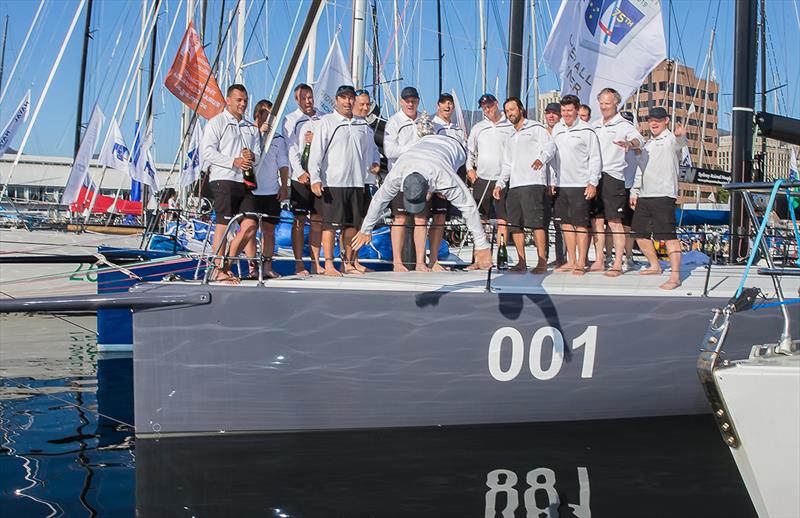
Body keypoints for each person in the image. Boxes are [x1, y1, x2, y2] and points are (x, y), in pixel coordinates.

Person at [352, 134, 492, 270]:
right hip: (422, 144)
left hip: (455, 150)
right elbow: (378, 200)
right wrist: (366, 230)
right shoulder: (396, 175)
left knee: (445, 199)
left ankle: (433, 261)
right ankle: (402, 262)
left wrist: (481, 245)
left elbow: (469, 207)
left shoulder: (444, 177)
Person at [308, 85, 380, 276]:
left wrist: (375, 163)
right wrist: (315, 178)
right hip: (333, 182)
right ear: (337, 100)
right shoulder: (326, 122)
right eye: (343, 98)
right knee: (330, 226)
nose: (347, 102)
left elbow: (372, 150)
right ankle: (329, 264)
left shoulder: (363, 125)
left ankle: (348, 263)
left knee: (352, 226)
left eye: (350, 98)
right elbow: (316, 153)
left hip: (357, 182)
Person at [200, 83, 262, 283]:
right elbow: (207, 151)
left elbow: (259, 155)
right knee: (223, 225)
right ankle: (218, 270)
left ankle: (227, 263)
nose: (243, 104)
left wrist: (252, 156)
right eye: (239, 100)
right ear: (228, 100)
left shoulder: (250, 129)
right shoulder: (217, 122)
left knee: (251, 224)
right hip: (223, 178)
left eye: (245, 100)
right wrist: (233, 161)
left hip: (245, 181)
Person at [493, 97, 556, 273]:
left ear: (521, 109)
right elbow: (507, 164)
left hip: (533, 182)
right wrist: (499, 184)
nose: (510, 113)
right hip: (514, 185)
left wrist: (541, 159)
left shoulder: (536, 128)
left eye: (512, 109)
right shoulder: (510, 136)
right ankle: (521, 262)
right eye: (507, 111)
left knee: (537, 223)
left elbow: (550, 147)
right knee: (515, 225)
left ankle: (542, 261)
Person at [630, 106, 686, 290]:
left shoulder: (671, 139)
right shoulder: (648, 143)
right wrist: (635, 191)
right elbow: (641, 167)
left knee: (669, 236)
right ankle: (655, 266)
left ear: (666, 121)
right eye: (651, 119)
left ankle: (675, 276)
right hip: (645, 194)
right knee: (639, 233)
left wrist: (680, 136)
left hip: (663, 194)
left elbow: (680, 147)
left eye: (658, 119)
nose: (653, 122)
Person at [592, 88, 643, 277]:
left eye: (608, 103)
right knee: (597, 221)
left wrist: (631, 144)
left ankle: (618, 263)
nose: (604, 107)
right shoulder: (594, 125)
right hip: (595, 176)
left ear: (616, 104)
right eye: (602, 103)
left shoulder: (624, 125)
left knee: (614, 222)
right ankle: (599, 260)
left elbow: (639, 140)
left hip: (614, 176)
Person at [551, 94, 602, 275]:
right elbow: (552, 158)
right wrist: (552, 181)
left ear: (577, 111)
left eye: (569, 111)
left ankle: (581, 261)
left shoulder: (587, 131)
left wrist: (592, 183)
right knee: (566, 224)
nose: (565, 114)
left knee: (580, 225)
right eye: (563, 110)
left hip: (580, 184)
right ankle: (571, 260)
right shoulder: (556, 129)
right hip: (561, 185)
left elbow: (595, 158)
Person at [243, 99, 290, 279]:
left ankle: (267, 265)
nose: (270, 120)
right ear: (257, 115)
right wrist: (260, 135)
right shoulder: (248, 133)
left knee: (269, 231)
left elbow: (283, 164)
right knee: (251, 230)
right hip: (252, 191)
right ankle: (252, 267)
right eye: (266, 115)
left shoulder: (278, 138)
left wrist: (284, 186)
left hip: (271, 191)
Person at [283, 83, 322, 276]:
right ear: (297, 100)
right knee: (298, 220)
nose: (308, 101)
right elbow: (290, 147)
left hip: (319, 177)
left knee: (317, 219)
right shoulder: (291, 120)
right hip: (300, 178)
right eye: (304, 98)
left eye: (310, 97)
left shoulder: (323, 117)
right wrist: (299, 171)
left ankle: (316, 263)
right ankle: (299, 264)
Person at [466, 93, 515, 245]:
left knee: (502, 220)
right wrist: (470, 170)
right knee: (481, 218)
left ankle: (502, 252)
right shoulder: (478, 128)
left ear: (496, 104)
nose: (487, 110)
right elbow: (470, 152)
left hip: (503, 179)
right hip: (482, 178)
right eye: (484, 108)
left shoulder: (509, 126)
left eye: (490, 106)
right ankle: (480, 253)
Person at [383, 86, 422, 271]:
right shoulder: (394, 122)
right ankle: (397, 262)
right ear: (401, 101)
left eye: (414, 100)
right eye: (407, 100)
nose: (410, 103)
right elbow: (389, 151)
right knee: (400, 218)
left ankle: (421, 262)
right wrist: (412, 148)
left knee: (421, 220)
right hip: (400, 178)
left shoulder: (425, 120)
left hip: (421, 179)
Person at [353, 88, 382, 272]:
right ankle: (348, 261)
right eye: (361, 104)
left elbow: (374, 151)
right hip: (351, 182)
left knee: (362, 221)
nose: (365, 108)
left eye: (367, 105)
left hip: (366, 181)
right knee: (351, 223)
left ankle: (354, 260)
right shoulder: (349, 125)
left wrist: (376, 163)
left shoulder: (367, 128)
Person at [543, 102, 566, 267]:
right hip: (543, 184)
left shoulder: (564, 133)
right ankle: (542, 258)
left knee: (561, 224)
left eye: (554, 113)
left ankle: (561, 258)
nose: (551, 116)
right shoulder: (540, 133)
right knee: (541, 223)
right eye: (548, 113)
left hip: (562, 183)